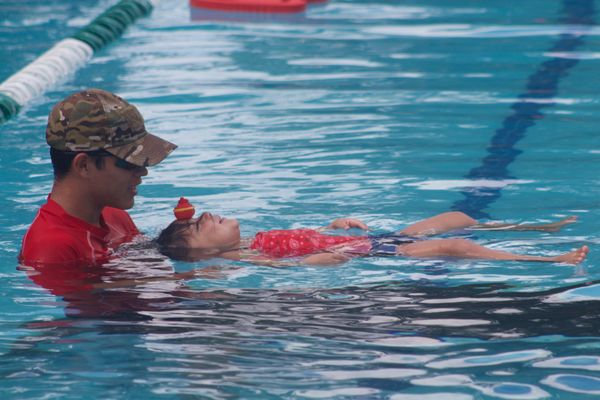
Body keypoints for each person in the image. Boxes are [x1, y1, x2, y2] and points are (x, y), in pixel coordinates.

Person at [19, 88, 178, 269]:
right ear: (84, 165)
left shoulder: (114, 215)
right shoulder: (51, 249)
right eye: (129, 163)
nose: (143, 172)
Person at [156, 200, 589, 266]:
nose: (207, 215)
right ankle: (547, 260)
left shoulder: (254, 238)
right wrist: (328, 258)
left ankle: (536, 227)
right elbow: (295, 267)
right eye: (197, 226)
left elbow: (308, 235)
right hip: (375, 254)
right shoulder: (238, 258)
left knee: (457, 217)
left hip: (375, 237)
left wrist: (337, 226)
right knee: (454, 245)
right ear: (201, 254)